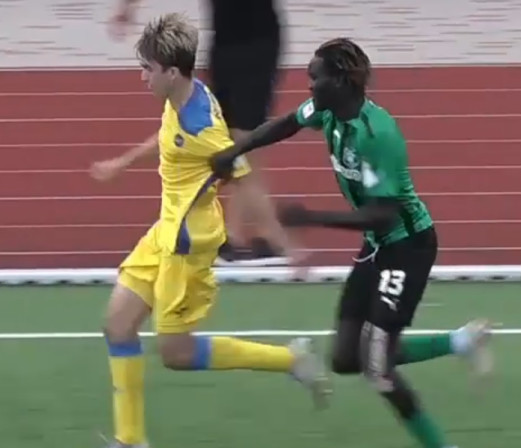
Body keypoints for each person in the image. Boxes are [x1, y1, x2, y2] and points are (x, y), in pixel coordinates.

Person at [209, 37, 494, 448]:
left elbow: (384, 215)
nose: (309, 85)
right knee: (345, 358)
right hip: (379, 245)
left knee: (378, 370)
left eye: (316, 78)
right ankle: (462, 341)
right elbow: (287, 123)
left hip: (407, 247)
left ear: (341, 81)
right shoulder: (328, 111)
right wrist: (238, 148)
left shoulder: (377, 135)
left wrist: (313, 218)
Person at [89, 13, 331, 448]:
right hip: (166, 230)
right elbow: (167, 139)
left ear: (172, 72)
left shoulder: (204, 129)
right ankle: (131, 440)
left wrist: (286, 246)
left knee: (176, 354)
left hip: (189, 247)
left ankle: (291, 359)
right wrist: (122, 163)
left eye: (147, 69)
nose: (142, 77)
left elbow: (246, 180)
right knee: (118, 325)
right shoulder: (184, 94)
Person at [109, 0, 289, 266]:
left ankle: (267, 240)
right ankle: (236, 239)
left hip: (257, 45)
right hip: (223, 45)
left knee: (243, 144)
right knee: (226, 138)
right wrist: (127, 8)